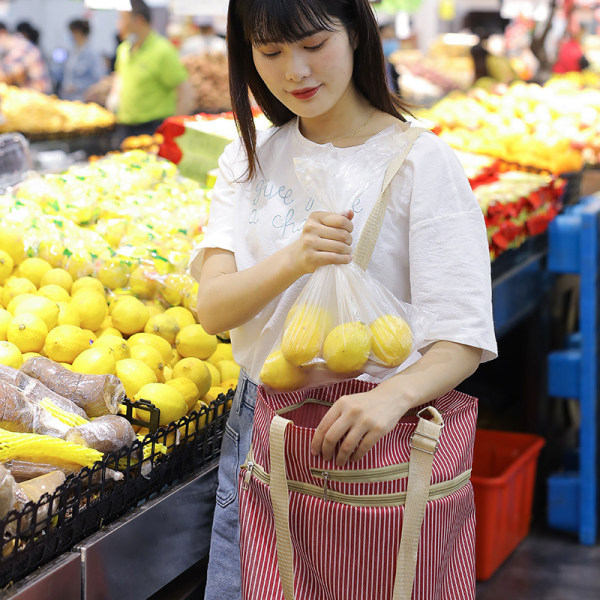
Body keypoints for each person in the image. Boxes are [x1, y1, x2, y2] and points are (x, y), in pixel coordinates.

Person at [190, 0, 497, 598]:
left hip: (379, 432)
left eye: (312, 44)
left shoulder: (420, 162)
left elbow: (462, 336)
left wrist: (392, 397)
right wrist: (295, 259)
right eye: (271, 53)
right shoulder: (248, 158)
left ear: (356, 32)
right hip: (261, 426)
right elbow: (215, 310)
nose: (294, 72)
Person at [107, 0, 193, 143]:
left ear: (139, 20)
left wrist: (173, 127)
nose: (118, 24)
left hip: (153, 129)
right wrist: (113, 98)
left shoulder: (163, 51)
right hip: (124, 128)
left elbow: (185, 91)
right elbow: (119, 78)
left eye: (122, 18)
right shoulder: (124, 49)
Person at [60, 19, 104, 102]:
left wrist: (77, 86)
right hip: (68, 99)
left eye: (72, 32)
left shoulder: (92, 55)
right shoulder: (72, 52)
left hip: (82, 99)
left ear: (78, 32)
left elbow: (97, 79)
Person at [0, 23, 51, 93]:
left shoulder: (21, 48)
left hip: (36, 97)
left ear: (2, 33)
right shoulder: (13, 48)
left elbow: (6, 76)